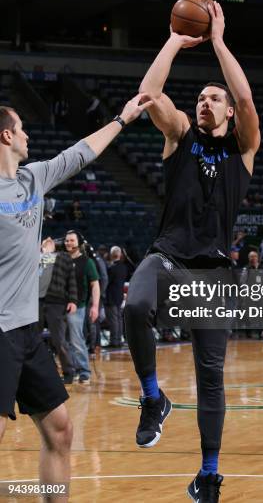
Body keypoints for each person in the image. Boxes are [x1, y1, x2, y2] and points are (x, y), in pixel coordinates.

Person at [124, 1, 260, 502]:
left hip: (213, 274)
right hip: (169, 255)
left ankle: (208, 474)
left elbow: (247, 103)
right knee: (136, 306)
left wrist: (219, 43)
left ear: (226, 111)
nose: (205, 102)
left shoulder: (242, 148)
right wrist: (176, 41)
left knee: (211, 377)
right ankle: (153, 397)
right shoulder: (180, 134)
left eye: (213, 98)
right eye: (200, 97)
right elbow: (149, 94)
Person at [0, 94, 153, 500]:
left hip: (27, 330)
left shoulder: (33, 178)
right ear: (6, 135)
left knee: (61, 429)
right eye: (22, 128)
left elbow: (80, 153)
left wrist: (122, 119)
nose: (28, 135)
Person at [39, 237, 78, 384]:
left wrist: (73, 301)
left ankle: (69, 371)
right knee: (34, 339)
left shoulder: (63, 258)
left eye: (50, 241)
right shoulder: (37, 257)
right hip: (37, 301)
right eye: (45, 242)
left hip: (57, 303)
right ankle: (41, 370)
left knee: (59, 340)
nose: (48, 242)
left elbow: (72, 281)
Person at [64, 230, 99, 383]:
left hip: (78, 306)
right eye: (66, 240)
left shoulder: (87, 262)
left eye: (71, 240)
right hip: (60, 306)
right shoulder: (61, 259)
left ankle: (84, 371)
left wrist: (95, 306)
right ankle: (72, 370)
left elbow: (95, 285)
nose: (68, 243)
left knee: (76, 339)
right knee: (64, 342)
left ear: (79, 243)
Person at [105, 246, 128, 348]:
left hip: (111, 297)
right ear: (120, 255)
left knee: (114, 320)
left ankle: (114, 341)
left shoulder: (111, 268)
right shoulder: (124, 267)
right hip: (119, 296)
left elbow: (107, 282)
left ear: (111, 255)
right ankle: (119, 339)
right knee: (119, 319)